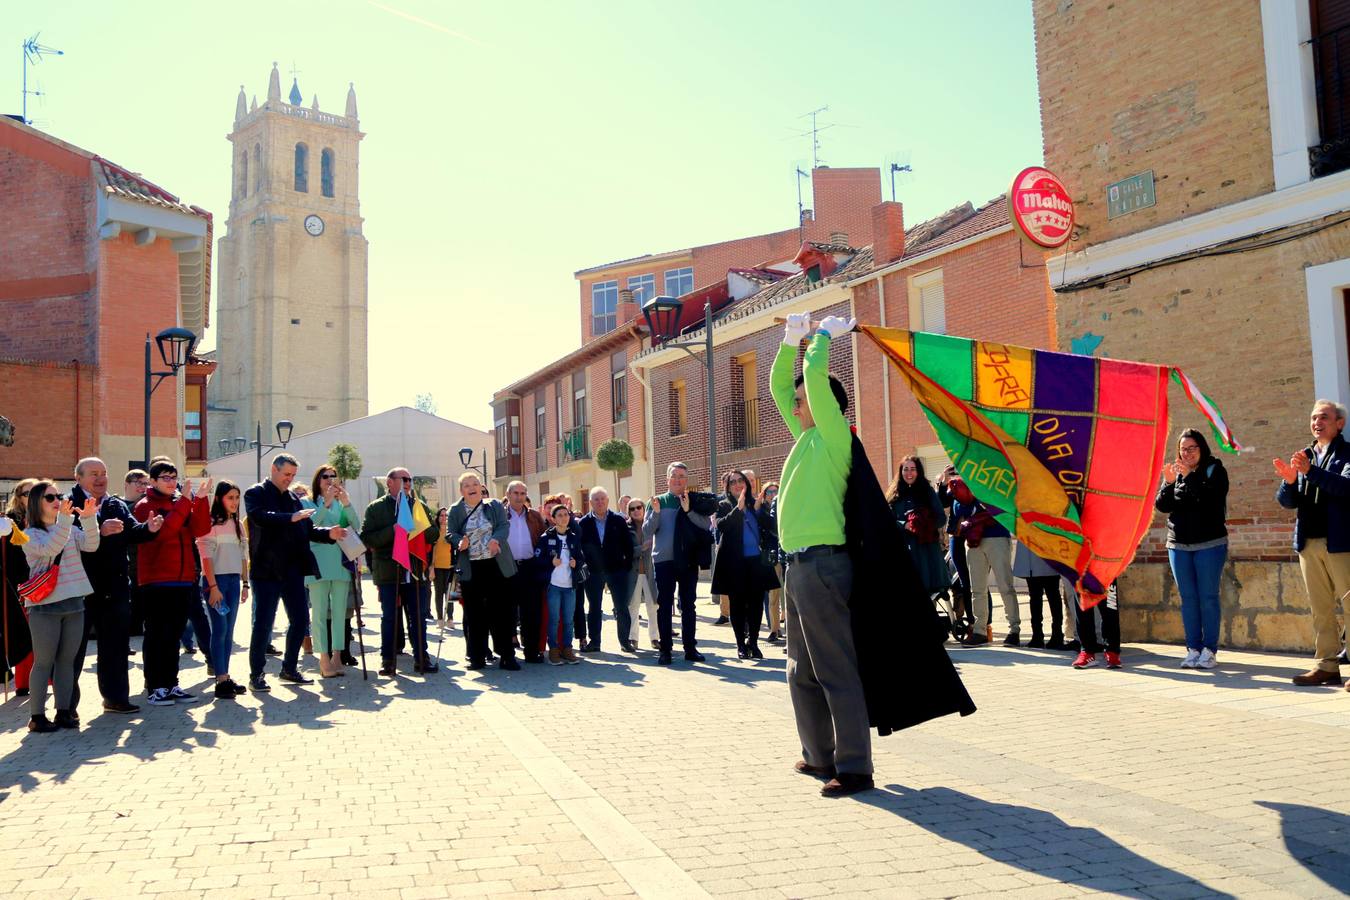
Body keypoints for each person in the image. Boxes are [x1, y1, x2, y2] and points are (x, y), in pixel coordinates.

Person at [772, 312, 975, 797]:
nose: (795, 406)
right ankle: (819, 755)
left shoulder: (837, 438)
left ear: (825, 407)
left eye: (803, 402)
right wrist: (789, 340)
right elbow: (783, 386)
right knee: (800, 669)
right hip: (796, 565)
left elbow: (813, 380)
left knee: (834, 668)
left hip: (823, 564)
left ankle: (856, 767)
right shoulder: (804, 440)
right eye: (798, 403)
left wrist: (821, 336)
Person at [244, 454, 347, 692]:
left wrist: (328, 534)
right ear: (274, 469)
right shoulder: (256, 493)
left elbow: (307, 528)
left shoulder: (292, 497)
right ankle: (256, 674)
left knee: (301, 621)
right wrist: (290, 518)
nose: (288, 480)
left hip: (292, 570)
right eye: (285, 474)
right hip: (267, 571)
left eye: (292, 475)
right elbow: (259, 517)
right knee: (263, 624)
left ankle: (289, 668)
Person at [68, 457, 158, 714]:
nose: (100, 478)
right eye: (93, 473)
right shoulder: (68, 503)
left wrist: (149, 529)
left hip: (115, 586)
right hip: (79, 586)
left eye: (104, 472)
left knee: (116, 646)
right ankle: (67, 706)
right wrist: (97, 529)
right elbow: (65, 537)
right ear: (79, 478)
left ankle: (116, 698)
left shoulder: (115, 504)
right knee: (73, 650)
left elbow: (132, 531)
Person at [1275, 399, 1350, 687]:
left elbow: (1345, 488)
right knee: (1320, 609)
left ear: (1339, 423)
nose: (1317, 423)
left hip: (1340, 543)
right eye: (1313, 418)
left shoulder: (1347, 453)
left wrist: (1311, 473)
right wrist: (1290, 482)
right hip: (1309, 543)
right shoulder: (1304, 456)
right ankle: (1326, 667)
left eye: (1324, 418)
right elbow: (1286, 501)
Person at [19, 485, 100, 731]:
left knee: (67, 661)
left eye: (59, 496)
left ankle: (64, 712)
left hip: (75, 601)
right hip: (44, 606)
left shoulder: (69, 528)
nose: (58, 500)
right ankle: (36, 716)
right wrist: (66, 520)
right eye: (50, 497)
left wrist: (88, 519)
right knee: (43, 662)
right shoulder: (29, 534)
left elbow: (92, 545)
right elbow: (51, 549)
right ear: (36, 503)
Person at [134, 461, 209, 706]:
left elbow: (201, 528)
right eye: (165, 477)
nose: (171, 481)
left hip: (183, 579)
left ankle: (171, 684)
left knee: (174, 635)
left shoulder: (180, 502)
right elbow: (164, 533)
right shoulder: (145, 506)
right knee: (157, 635)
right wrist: (186, 502)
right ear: (153, 481)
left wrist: (201, 501)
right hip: (156, 581)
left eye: (173, 477)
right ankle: (156, 687)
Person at [1155, 428, 1229, 669]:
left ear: (1202, 448)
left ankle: (1209, 650)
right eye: (1182, 449)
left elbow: (1208, 501)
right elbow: (1163, 505)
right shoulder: (1177, 474)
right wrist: (1167, 483)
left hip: (1209, 544)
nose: (1186, 453)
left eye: (1191, 448)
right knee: (1188, 599)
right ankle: (1192, 649)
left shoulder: (1214, 470)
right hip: (1178, 545)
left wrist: (1188, 476)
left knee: (1207, 598)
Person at [360, 467, 438, 676]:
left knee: (419, 617)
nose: (407, 483)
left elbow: (434, 535)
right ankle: (388, 660)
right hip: (388, 572)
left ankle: (422, 658)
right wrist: (392, 530)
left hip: (415, 571)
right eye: (403, 478)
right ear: (389, 482)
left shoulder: (418, 506)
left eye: (410, 479)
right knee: (389, 618)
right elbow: (367, 538)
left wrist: (418, 530)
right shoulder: (375, 508)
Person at [445, 472, 518, 670]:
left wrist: (496, 539)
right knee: (475, 615)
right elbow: (450, 533)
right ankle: (477, 657)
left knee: (501, 613)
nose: (471, 487)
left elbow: (503, 525)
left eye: (475, 483)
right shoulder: (455, 510)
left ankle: (506, 656)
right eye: (467, 485)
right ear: (461, 490)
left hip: (496, 565)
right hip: (471, 567)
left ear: (481, 487)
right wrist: (459, 540)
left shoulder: (493, 505)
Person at [643, 462, 713, 665]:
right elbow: (648, 531)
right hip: (664, 560)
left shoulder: (695, 500)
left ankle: (690, 648)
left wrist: (689, 510)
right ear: (667, 478)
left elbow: (706, 525)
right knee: (664, 605)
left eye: (682, 476)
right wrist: (655, 512)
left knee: (688, 605)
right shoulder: (658, 501)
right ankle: (665, 650)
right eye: (674, 475)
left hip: (688, 560)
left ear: (686, 479)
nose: (678, 479)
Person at [712, 470, 780, 660]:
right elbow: (721, 525)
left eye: (741, 481)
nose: (737, 484)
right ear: (728, 486)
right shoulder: (724, 505)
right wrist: (737, 509)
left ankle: (754, 643)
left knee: (757, 604)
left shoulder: (754, 503)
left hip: (757, 561)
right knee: (738, 605)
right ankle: (741, 644)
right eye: (733, 482)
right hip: (735, 563)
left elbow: (770, 525)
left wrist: (758, 509)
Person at [301, 465, 359, 678]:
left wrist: (346, 503)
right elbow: (310, 525)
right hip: (317, 564)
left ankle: (337, 656)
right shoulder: (306, 502)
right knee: (318, 613)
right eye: (325, 476)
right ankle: (323, 658)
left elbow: (356, 524)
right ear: (317, 479)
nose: (330, 480)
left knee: (339, 614)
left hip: (341, 564)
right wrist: (325, 503)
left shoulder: (340, 503)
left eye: (333, 477)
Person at [197, 481, 250, 699]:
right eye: (230, 497)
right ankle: (220, 679)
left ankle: (225, 676)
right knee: (219, 630)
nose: (235, 502)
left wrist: (245, 583)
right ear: (219, 498)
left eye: (237, 498)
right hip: (215, 583)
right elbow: (206, 557)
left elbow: (243, 556)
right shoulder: (209, 524)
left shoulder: (238, 525)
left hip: (233, 583)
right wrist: (213, 587)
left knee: (228, 632)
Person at [577, 486, 635, 652]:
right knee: (594, 607)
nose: (600, 502)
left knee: (621, 607)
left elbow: (628, 546)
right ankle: (594, 642)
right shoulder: (584, 523)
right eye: (596, 499)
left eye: (603, 499)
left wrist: (626, 566)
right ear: (590, 503)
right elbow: (580, 548)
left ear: (608, 501)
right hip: (594, 572)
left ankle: (625, 641)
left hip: (616, 570)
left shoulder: (618, 520)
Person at [885, 457, 948, 598]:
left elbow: (941, 518)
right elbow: (886, 521)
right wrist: (905, 524)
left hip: (927, 554)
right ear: (900, 472)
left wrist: (923, 524)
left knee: (927, 597)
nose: (909, 473)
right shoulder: (894, 494)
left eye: (913, 469)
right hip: (903, 552)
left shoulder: (927, 491)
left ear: (918, 471)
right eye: (905, 469)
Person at [503, 481, 548, 663]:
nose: (519, 497)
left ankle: (531, 651)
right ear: (508, 494)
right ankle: (507, 654)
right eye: (516, 493)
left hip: (529, 567)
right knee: (507, 612)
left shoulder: (535, 517)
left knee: (531, 611)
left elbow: (543, 540)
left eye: (523, 493)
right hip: (507, 567)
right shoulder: (500, 516)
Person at [535, 503, 584, 664]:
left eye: (566, 514)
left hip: (570, 586)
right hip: (553, 586)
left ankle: (567, 649)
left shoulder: (573, 537)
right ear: (553, 519)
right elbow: (537, 560)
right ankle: (554, 650)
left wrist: (576, 563)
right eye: (560, 515)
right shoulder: (545, 538)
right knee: (554, 619)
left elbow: (581, 557)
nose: (563, 518)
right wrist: (551, 562)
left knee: (569, 620)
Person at [3, 480, 37, 697]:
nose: (33, 497)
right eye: (28, 493)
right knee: (25, 632)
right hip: (20, 584)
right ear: (19, 497)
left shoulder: (44, 517)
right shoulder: (11, 522)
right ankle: (24, 682)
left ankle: (42, 680)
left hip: (43, 580)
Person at [1013, 543, 1064, 649]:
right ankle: (1038, 634)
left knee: (1051, 595)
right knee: (1038, 596)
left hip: (1049, 552)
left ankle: (1056, 634)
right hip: (1031, 557)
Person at [626, 498, 658, 650]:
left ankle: (655, 638)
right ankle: (633, 638)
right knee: (634, 608)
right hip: (633, 574)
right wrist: (641, 548)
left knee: (653, 607)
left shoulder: (651, 525)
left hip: (650, 572)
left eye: (639, 507)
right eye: (632, 509)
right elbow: (624, 552)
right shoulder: (625, 528)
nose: (636, 511)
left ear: (644, 508)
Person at [122, 469, 151, 639]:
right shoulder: (118, 504)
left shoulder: (147, 505)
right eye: (138, 483)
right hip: (126, 563)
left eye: (145, 483)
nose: (142, 487)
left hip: (142, 563)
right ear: (127, 484)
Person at [1071, 582, 1121, 669]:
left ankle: (1112, 651)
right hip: (1082, 573)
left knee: (1110, 610)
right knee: (1083, 611)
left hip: (1107, 572)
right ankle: (1087, 652)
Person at [431, 507, 455, 627]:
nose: (444, 518)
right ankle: (440, 619)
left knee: (450, 594)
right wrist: (431, 567)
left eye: (446, 516)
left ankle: (450, 618)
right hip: (438, 567)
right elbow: (432, 550)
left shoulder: (452, 530)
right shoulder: (434, 531)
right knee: (439, 593)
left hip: (450, 566)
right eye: (442, 515)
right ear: (438, 517)